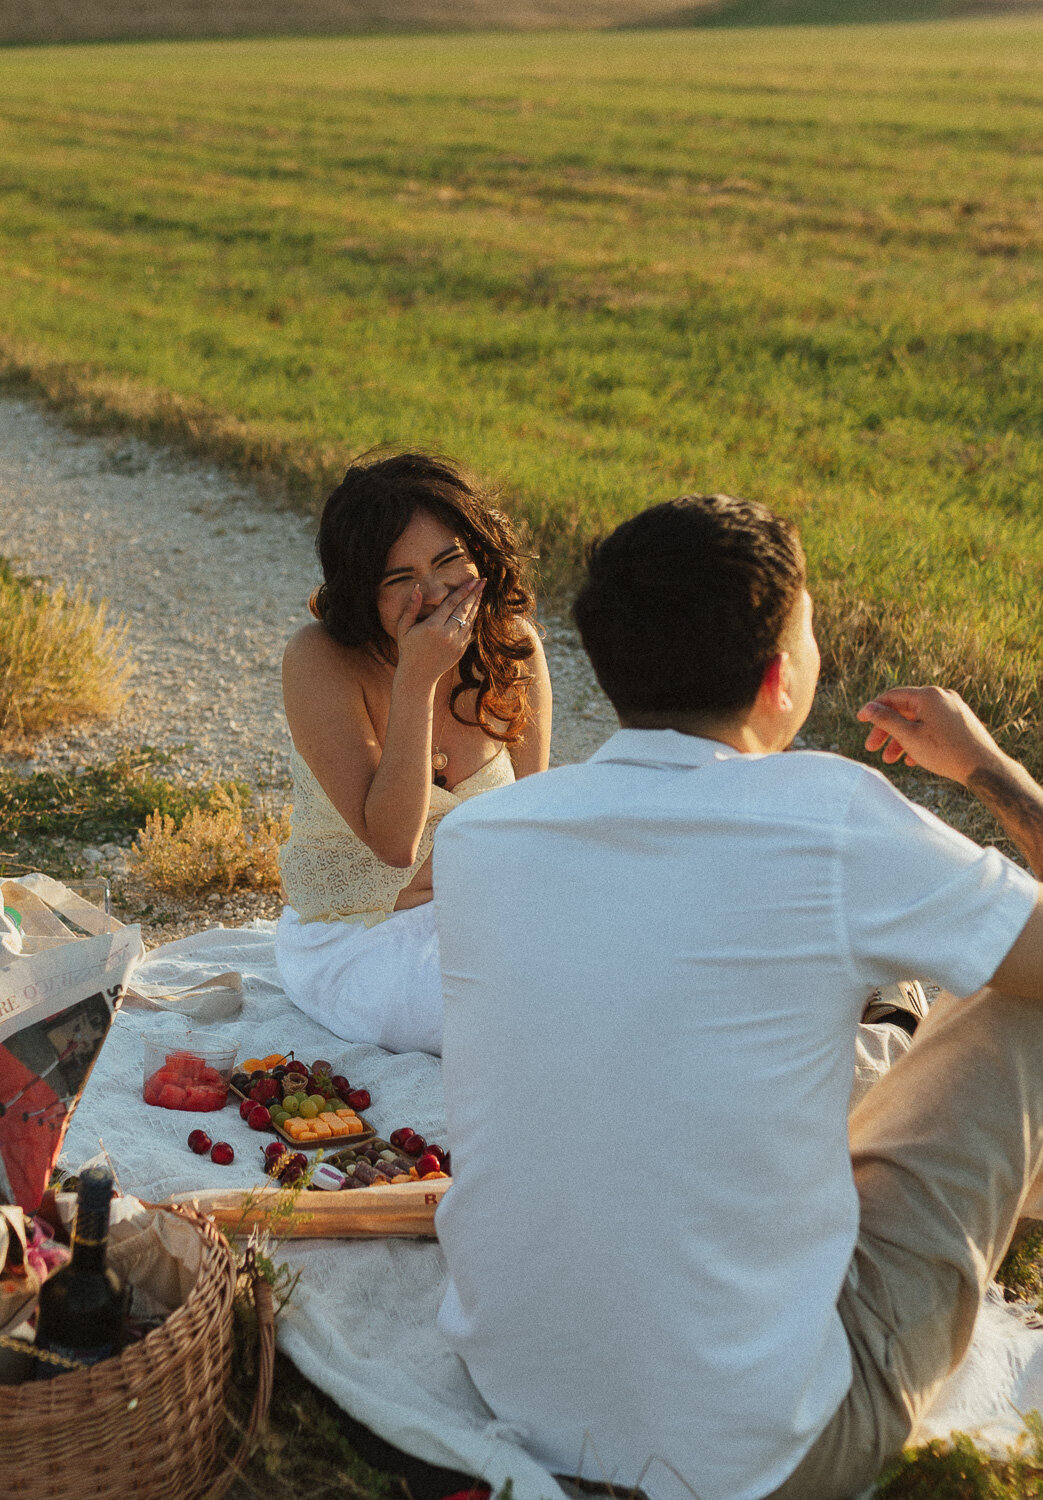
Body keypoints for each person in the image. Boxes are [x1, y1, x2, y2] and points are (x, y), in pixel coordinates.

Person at [432, 492, 1043, 1500]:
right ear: (778, 677)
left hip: (517, 1392)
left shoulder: (483, 837)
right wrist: (990, 770)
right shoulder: (829, 814)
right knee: (1016, 1004)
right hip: (765, 1454)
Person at [275, 451, 551, 1054]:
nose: (431, 593)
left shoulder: (513, 649)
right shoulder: (320, 659)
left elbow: (527, 833)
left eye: (450, 560)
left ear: (482, 553)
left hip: (473, 916)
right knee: (528, 1012)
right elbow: (396, 845)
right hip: (353, 939)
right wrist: (417, 681)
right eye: (400, 580)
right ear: (361, 591)